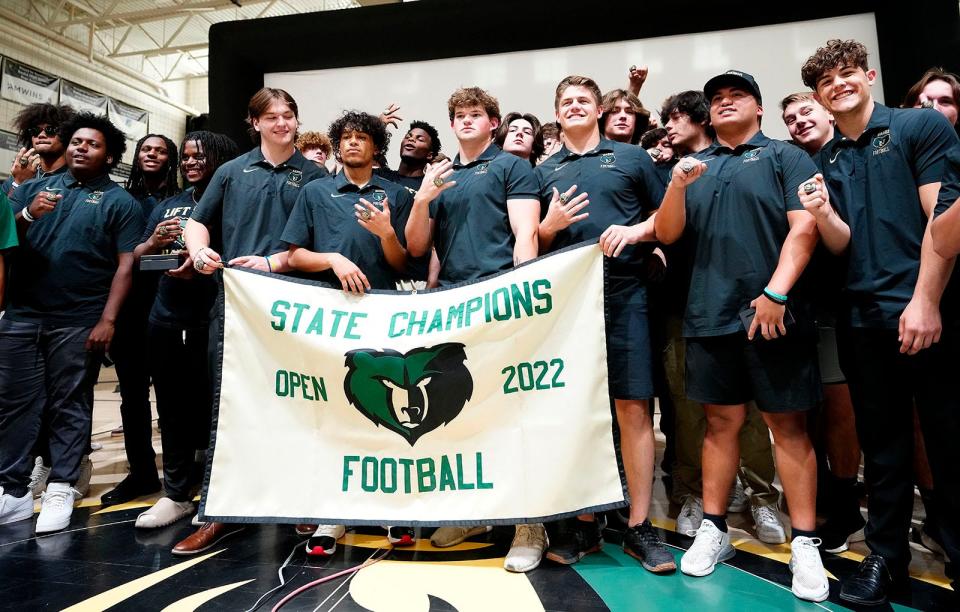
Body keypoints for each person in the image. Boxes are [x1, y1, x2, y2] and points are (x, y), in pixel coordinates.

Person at [655, 70, 829, 602]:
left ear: (758, 108)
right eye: (717, 99)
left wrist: (775, 294)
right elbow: (666, 233)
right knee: (719, 424)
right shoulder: (693, 168)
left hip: (773, 313)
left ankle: (805, 542)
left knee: (788, 427)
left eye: (737, 97)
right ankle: (714, 528)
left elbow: (805, 227)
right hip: (708, 314)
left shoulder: (784, 156)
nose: (726, 103)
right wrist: (676, 186)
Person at [800, 39, 960, 605]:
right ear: (819, 97)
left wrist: (925, 302)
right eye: (826, 82)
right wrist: (821, 214)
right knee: (883, 447)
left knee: (947, 438)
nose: (838, 85)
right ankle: (886, 558)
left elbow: (943, 219)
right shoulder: (826, 159)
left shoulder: (919, 127)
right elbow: (840, 243)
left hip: (925, 310)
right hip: (861, 320)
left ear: (869, 75)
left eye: (847, 74)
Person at [177, 87, 327, 555]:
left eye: (289, 115)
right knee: (230, 406)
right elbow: (197, 222)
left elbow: (317, 243)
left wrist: (277, 263)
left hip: (298, 305)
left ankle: (304, 504)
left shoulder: (316, 174)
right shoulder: (231, 170)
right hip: (237, 305)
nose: (282, 123)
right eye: (272, 117)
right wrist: (198, 248)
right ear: (255, 123)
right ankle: (220, 512)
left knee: (302, 402)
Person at [536, 75, 674, 575]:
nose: (574, 107)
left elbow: (667, 219)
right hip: (568, 307)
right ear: (557, 112)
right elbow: (532, 245)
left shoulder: (633, 158)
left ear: (599, 110)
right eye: (565, 101)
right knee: (580, 412)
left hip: (626, 295)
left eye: (582, 101)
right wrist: (548, 228)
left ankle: (639, 525)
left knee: (635, 410)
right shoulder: (542, 170)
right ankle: (586, 522)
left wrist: (637, 231)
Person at [404, 86, 541, 570]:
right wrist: (423, 197)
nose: (466, 120)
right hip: (454, 306)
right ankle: (474, 514)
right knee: (464, 414)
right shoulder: (441, 175)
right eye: (458, 114)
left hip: (501, 298)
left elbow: (525, 232)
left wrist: (524, 294)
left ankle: (529, 523)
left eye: (475, 114)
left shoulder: (511, 166)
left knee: (514, 414)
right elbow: (419, 247)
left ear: (493, 122)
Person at [0, 112, 144, 533]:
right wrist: (27, 213)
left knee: (70, 404)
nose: (81, 147)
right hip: (23, 315)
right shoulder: (34, 188)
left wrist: (108, 320)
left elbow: (125, 267)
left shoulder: (121, 203)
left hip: (78, 319)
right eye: (77, 141)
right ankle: (13, 492)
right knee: (14, 406)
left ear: (110, 155)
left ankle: (62, 485)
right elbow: (5, 240)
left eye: (92, 144)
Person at [658, 90, 786, 545]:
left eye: (676, 117)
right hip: (687, 304)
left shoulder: (762, 158)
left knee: (754, 414)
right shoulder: (665, 170)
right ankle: (696, 496)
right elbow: (661, 228)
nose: (669, 126)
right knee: (694, 409)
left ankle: (760, 495)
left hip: (754, 303)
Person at [131, 131, 240, 529]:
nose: (191, 163)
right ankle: (175, 492)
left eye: (200, 156)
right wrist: (155, 243)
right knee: (172, 407)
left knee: (215, 409)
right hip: (166, 313)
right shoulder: (169, 204)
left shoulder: (231, 203)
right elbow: (140, 256)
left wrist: (200, 258)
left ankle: (216, 493)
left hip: (213, 313)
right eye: (187, 158)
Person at [779, 91, 865, 554]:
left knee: (840, 409)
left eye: (805, 112)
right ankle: (825, 502)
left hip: (845, 300)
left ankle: (848, 505)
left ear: (827, 112)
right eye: (790, 119)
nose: (798, 123)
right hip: (799, 303)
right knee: (804, 410)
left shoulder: (847, 160)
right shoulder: (789, 164)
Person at [102, 133, 183, 506]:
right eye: (146, 149)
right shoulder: (122, 198)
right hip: (132, 306)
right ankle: (141, 473)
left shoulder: (181, 201)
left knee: (174, 394)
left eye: (161, 150)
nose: (152, 155)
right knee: (132, 396)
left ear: (172, 158)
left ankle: (182, 475)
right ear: (136, 156)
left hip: (172, 303)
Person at [3, 103, 74, 197]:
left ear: (67, 134)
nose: (41, 135)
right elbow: (4, 211)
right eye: (35, 130)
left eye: (50, 129)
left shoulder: (75, 179)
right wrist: (18, 183)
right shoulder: (20, 174)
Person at [375, 120, 442, 191]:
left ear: (429, 155)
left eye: (420, 139)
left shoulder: (430, 185)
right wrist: (378, 126)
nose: (411, 139)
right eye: (407, 137)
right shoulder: (380, 175)